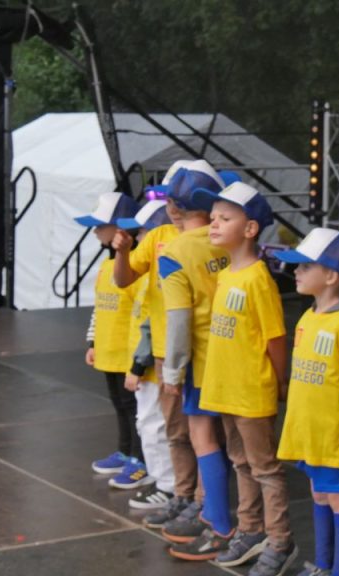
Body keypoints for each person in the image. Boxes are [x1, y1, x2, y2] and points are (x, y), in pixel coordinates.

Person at [185, 182, 298, 575]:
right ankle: (250, 530)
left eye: (225, 218)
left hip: (251, 392)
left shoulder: (257, 278)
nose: (214, 224)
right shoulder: (225, 274)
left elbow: (274, 338)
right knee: (240, 462)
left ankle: (280, 540)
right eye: (213, 217)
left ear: (250, 229)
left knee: (264, 468)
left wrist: (280, 381)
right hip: (225, 390)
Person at [274, 228, 339, 576]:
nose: (296, 272)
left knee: (338, 497)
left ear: (331, 276)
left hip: (334, 437)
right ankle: (322, 565)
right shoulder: (308, 317)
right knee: (319, 494)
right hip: (310, 433)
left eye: (305, 266)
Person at [111, 164, 199, 530]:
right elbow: (124, 279)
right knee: (176, 429)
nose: (173, 207)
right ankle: (180, 493)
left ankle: (202, 503)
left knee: (206, 434)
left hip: (204, 350)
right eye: (169, 199)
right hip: (166, 351)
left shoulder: (211, 238)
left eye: (180, 199)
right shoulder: (159, 235)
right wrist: (122, 252)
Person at [157, 163, 235, 557]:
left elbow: (178, 319)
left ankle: (218, 522)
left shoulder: (174, 252)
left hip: (201, 360)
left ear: (173, 206)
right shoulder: (229, 239)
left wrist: (172, 371)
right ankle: (217, 516)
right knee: (234, 444)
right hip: (235, 354)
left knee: (203, 438)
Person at [76, 192, 152, 489]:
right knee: (119, 404)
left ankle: (140, 459)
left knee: (134, 408)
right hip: (108, 350)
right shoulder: (106, 267)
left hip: (127, 352)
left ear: (121, 229)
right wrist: (93, 342)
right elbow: (100, 307)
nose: (95, 231)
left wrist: (139, 358)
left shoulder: (135, 267)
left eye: (100, 225)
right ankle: (124, 451)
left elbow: (142, 311)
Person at [116, 198, 176, 509]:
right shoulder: (145, 278)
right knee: (149, 423)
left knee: (155, 424)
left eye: (141, 234)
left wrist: (138, 365)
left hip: (154, 363)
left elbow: (152, 325)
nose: (138, 240)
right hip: (151, 360)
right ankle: (160, 477)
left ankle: (168, 484)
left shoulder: (163, 274)